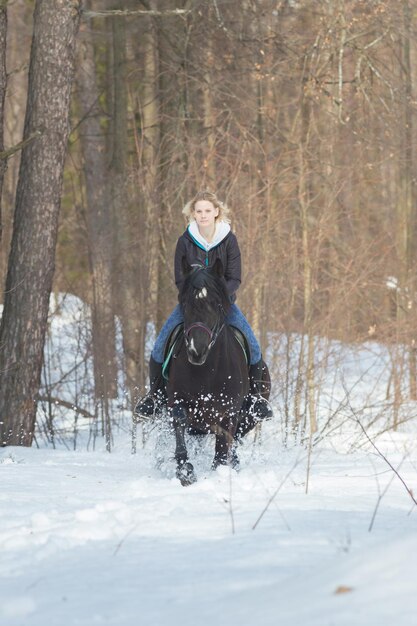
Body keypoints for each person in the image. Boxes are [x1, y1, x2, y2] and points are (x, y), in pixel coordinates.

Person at [135, 190, 273, 420]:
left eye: (207, 210)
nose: (203, 215)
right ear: (193, 214)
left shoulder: (229, 240)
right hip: (191, 305)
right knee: (160, 345)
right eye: (198, 211)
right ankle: (155, 397)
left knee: (253, 344)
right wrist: (194, 296)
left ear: (216, 212)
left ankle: (256, 398)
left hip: (223, 304)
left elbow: (235, 277)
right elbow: (180, 278)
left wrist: (217, 298)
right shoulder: (184, 242)